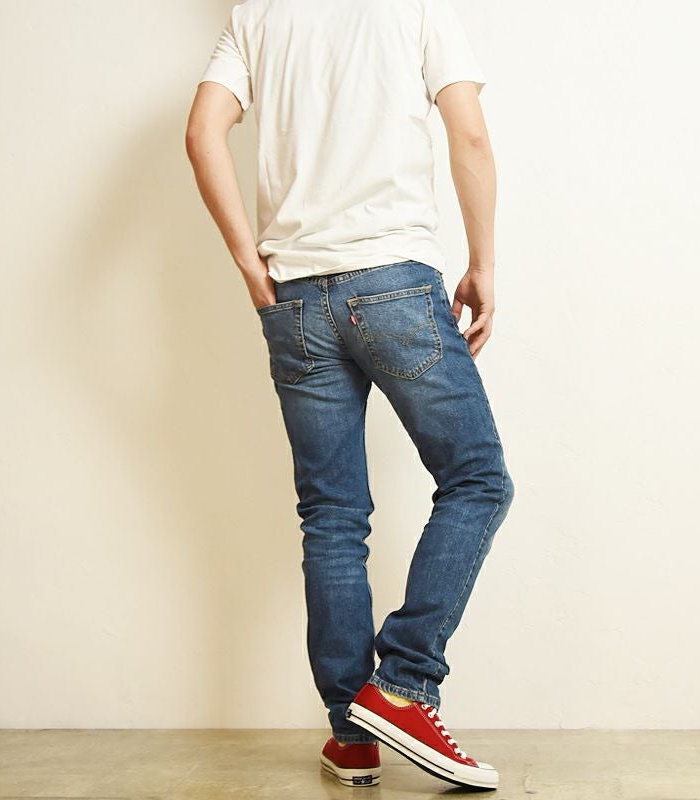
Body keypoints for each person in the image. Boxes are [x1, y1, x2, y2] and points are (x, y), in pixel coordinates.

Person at [186, 0, 515, 790]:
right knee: (477, 479)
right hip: (394, 281)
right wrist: (483, 263)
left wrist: (249, 262)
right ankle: (403, 683)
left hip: (294, 295)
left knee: (332, 515)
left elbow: (202, 133)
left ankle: (351, 733)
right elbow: (468, 133)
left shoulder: (256, 15)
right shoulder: (417, 6)